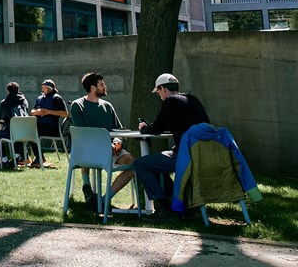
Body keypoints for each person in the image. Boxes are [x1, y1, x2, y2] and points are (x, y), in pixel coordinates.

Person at [134, 73, 210, 222]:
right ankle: (181, 203)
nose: (160, 96)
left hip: (185, 156)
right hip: (201, 154)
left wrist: (143, 128)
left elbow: (156, 129)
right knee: (159, 162)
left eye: (158, 93)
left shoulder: (170, 102)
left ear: (163, 89)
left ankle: (165, 207)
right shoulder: (192, 100)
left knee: (141, 164)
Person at [70, 73, 135, 206]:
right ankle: (86, 185)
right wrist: (106, 145)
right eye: (102, 84)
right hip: (89, 152)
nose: (105, 87)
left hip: (111, 150)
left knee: (134, 165)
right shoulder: (77, 105)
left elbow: (118, 130)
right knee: (86, 148)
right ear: (93, 88)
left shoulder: (108, 106)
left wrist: (118, 142)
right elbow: (83, 134)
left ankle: (105, 199)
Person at [29, 79, 68, 167]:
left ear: (51, 88)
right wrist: (37, 112)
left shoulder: (57, 98)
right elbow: (32, 111)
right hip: (39, 125)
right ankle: (37, 157)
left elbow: (65, 114)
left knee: (32, 132)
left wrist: (48, 112)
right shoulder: (39, 98)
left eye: (45, 87)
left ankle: (39, 158)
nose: (43, 89)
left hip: (51, 128)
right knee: (28, 131)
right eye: (42, 87)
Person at [0, 81, 29, 168]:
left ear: (8, 91)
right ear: (18, 89)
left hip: (12, 131)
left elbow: (0, 118)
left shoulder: (5, 102)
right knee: (18, 135)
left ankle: (4, 160)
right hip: (26, 131)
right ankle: (16, 159)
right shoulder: (24, 101)